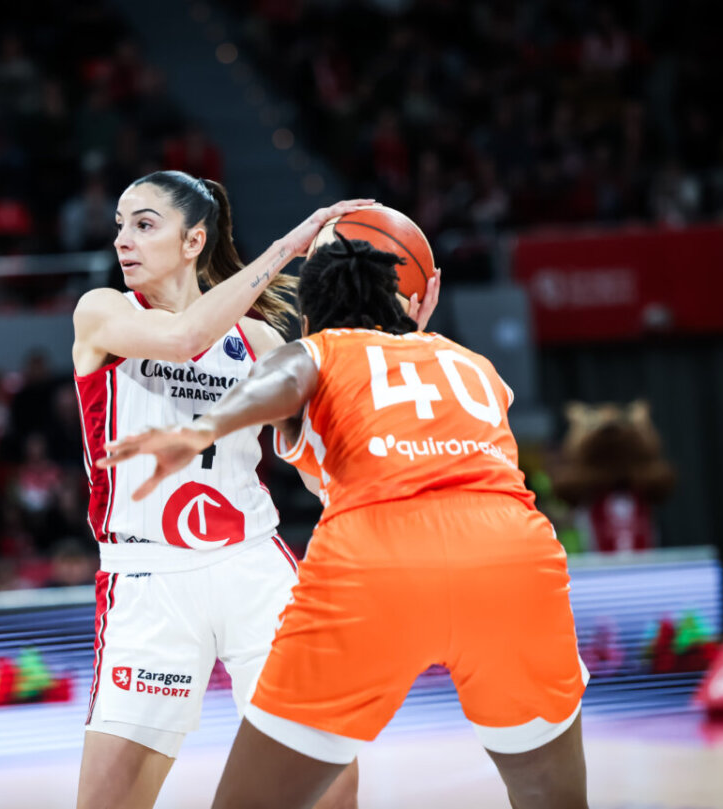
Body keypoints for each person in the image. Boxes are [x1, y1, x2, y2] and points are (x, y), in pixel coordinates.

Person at [100, 236, 588, 809]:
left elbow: (285, 380)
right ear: (408, 305)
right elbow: (401, 387)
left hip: (379, 560)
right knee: (549, 798)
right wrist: (408, 329)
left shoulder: (318, 350)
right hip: (511, 559)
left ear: (308, 318)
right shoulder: (473, 363)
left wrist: (204, 429)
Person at [70, 169, 385, 809]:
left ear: (194, 241)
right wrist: (287, 247)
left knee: (329, 772)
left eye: (144, 224)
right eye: (120, 227)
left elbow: (313, 461)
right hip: (147, 575)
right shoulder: (103, 312)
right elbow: (183, 339)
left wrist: (395, 338)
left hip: (251, 566)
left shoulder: (262, 341)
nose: (123, 240)